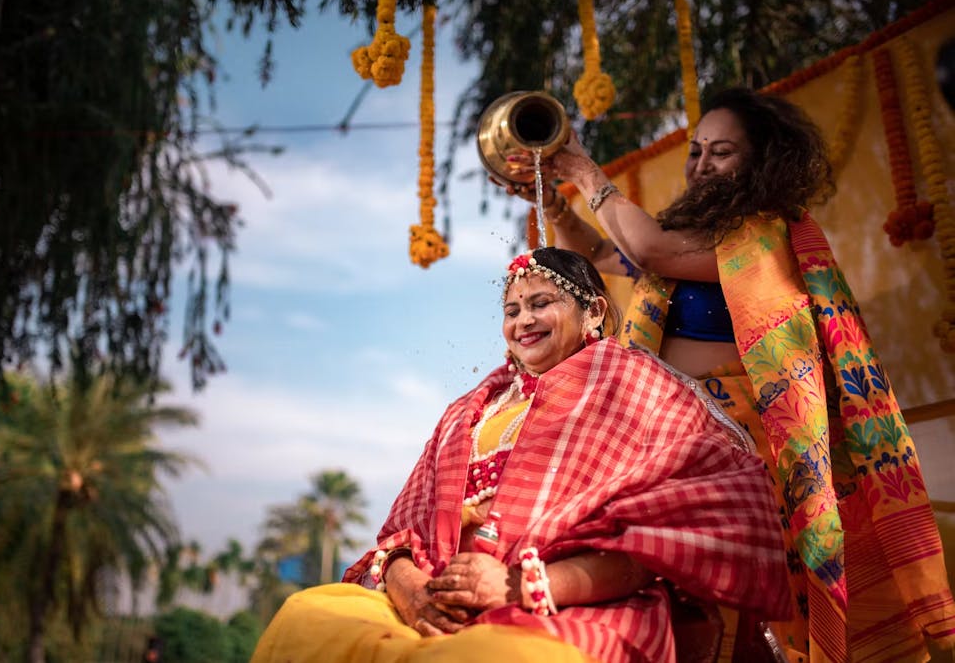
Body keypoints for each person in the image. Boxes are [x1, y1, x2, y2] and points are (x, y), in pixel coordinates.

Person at [505, 88, 955, 662]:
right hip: (671, 450)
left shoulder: (765, 235)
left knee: (755, 617)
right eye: (695, 151)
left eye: (721, 151)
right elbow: (603, 255)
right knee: (682, 604)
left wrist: (584, 169)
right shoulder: (685, 241)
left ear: (761, 163)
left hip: (748, 456)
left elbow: (647, 249)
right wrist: (554, 201)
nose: (700, 165)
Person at [250, 247, 793, 663]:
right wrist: (413, 593)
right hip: (436, 601)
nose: (522, 321)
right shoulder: (470, 408)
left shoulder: (634, 384)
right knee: (306, 619)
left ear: (594, 311)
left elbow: (660, 544)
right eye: (511, 310)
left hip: (573, 605)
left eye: (540, 303)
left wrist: (518, 586)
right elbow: (400, 538)